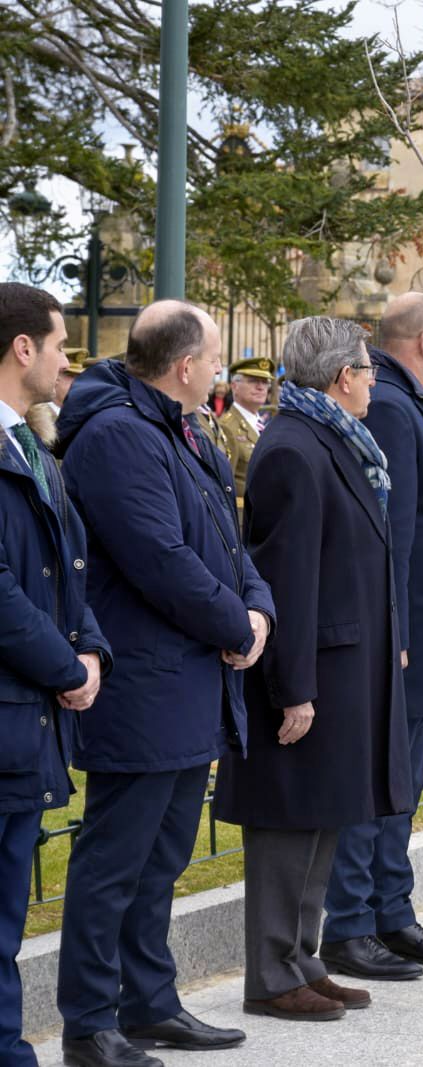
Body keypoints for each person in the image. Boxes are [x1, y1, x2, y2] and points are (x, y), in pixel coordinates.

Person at [56, 301, 274, 1067]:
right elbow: (159, 557)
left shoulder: (179, 427)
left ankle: (149, 1004)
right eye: (215, 357)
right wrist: (235, 625)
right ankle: (89, 1021)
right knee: (115, 861)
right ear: (185, 366)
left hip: (188, 683)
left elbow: (227, 539)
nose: (221, 369)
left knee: (162, 859)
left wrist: (259, 608)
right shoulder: (119, 435)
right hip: (147, 684)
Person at [214, 317, 408, 1022]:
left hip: (343, 663)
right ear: (340, 377)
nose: (373, 379)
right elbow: (286, 580)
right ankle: (271, 973)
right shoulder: (294, 448)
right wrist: (293, 687)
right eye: (367, 368)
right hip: (309, 670)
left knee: (322, 813)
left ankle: (302, 957)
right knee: (289, 818)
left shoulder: (332, 439)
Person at [320, 292, 423, 980]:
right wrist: (398, 630)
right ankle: (354, 922)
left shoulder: (404, 400)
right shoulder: (389, 403)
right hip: (410, 629)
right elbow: (392, 532)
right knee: (381, 779)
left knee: (403, 779)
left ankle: (392, 911)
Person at [0, 285, 111, 1067]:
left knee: (8, 903)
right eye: (60, 342)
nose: (69, 358)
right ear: (22, 348)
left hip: (28, 713)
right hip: (16, 701)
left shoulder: (31, 443)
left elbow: (71, 562)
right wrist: (66, 662)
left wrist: (91, 647)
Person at [218, 356, 274, 490]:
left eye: (265, 382)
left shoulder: (263, 424)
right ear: (234, 386)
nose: (260, 387)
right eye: (253, 381)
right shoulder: (227, 427)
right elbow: (225, 486)